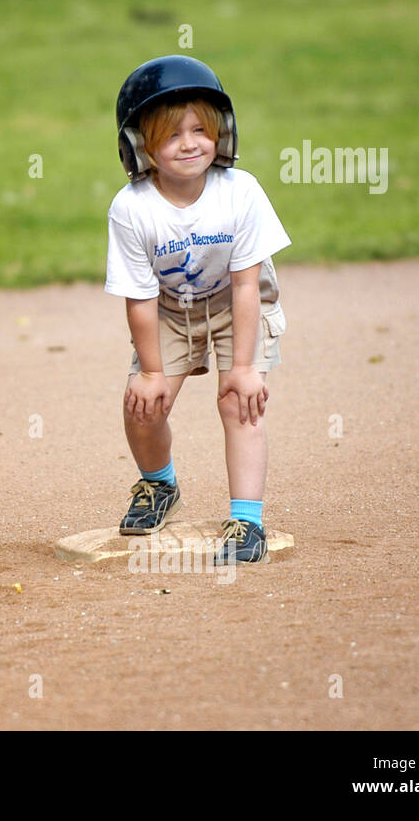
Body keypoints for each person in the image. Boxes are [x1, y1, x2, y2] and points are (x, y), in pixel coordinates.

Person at [104, 55, 290, 564]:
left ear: (222, 132)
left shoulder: (241, 192)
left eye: (200, 129)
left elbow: (247, 284)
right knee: (143, 405)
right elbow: (139, 298)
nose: (189, 143)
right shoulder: (131, 209)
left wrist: (245, 367)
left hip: (237, 302)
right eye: (171, 135)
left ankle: (247, 522)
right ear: (140, 146)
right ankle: (160, 486)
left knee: (239, 401)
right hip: (167, 308)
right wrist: (152, 372)